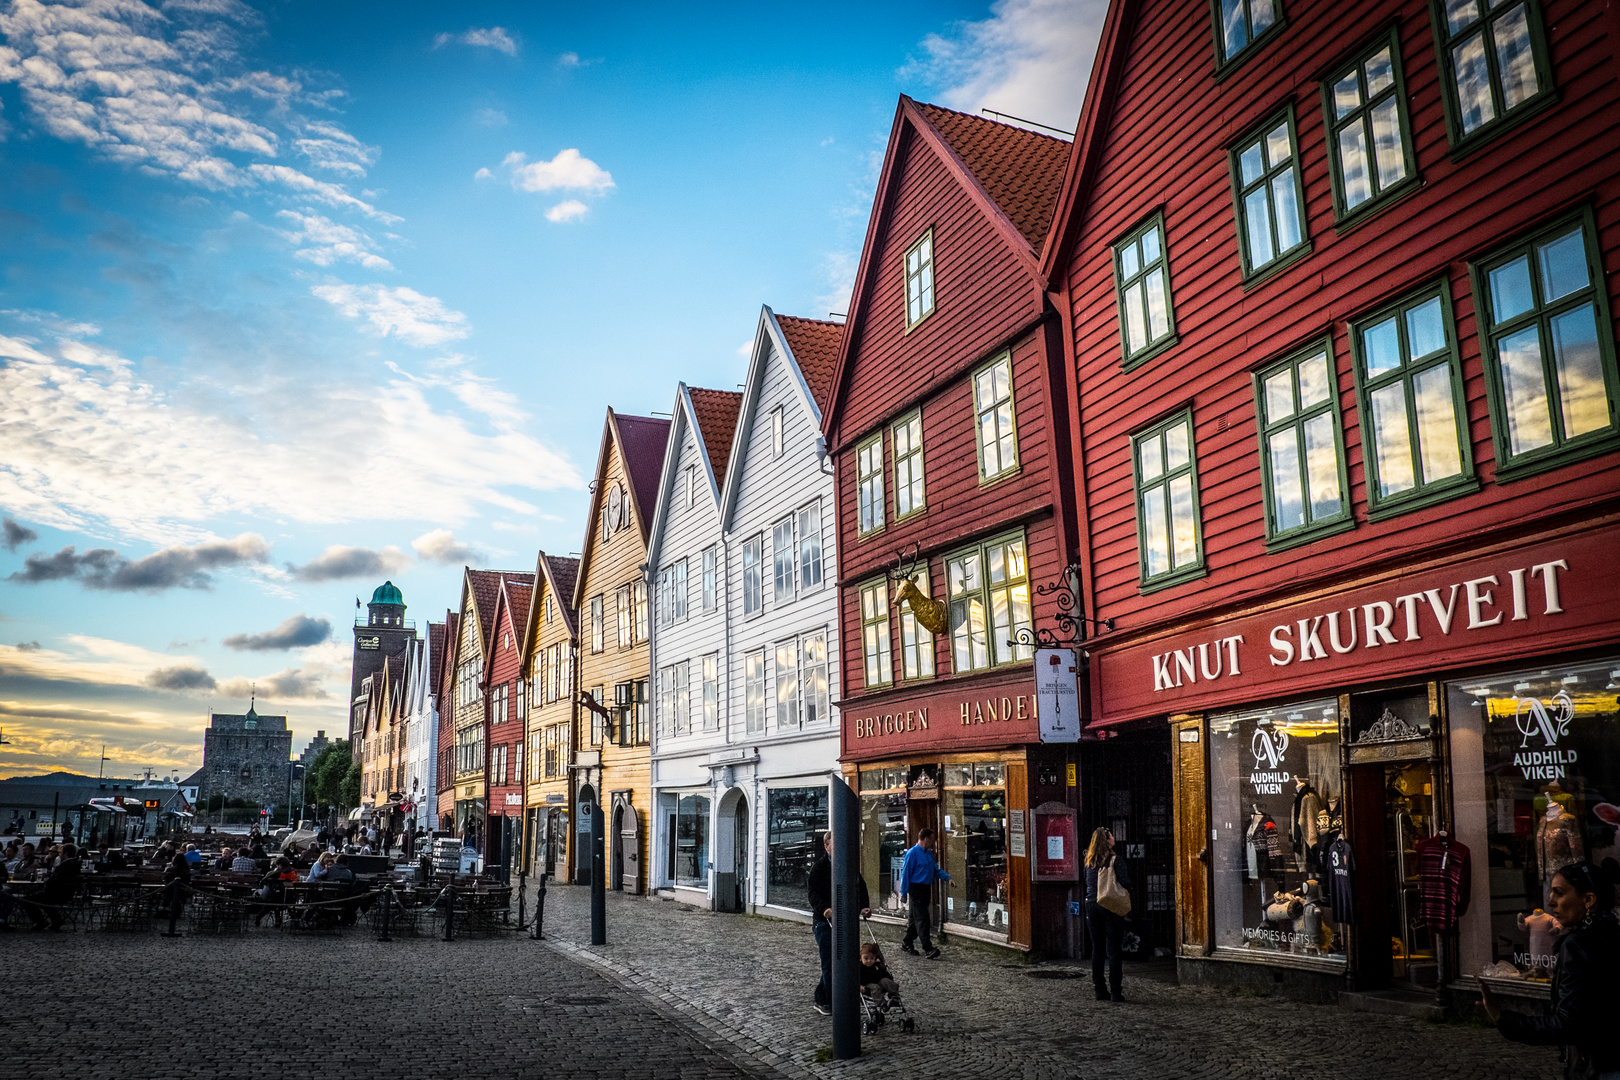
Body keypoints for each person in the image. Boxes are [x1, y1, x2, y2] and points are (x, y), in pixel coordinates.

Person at [1484, 862, 1620, 1079]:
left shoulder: (1577, 944)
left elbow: (1566, 1024)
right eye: (1551, 892)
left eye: (1559, 893)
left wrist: (1503, 1017)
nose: (1550, 902)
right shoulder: (1611, 932)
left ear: (1588, 900)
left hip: (1597, 1066)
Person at [806, 831, 870, 1014]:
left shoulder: (848, 865)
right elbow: (813, 894)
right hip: (823, 921)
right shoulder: (818, 868)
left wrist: (864, 906)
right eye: (835, 847)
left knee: (841, 959)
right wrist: (824, 908)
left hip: (844, 918)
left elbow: (860, 886)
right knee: (829, 959)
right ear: (827, 847)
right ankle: (832, 1000)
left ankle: (822, 995)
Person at [1084, 826, 1131, 1003]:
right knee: (1113, 950)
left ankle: (1099, 989)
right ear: (1107, 840)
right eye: (1111, 835)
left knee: (1097, 948)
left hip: (1091, 905)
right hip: (1109, 905)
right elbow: (1125, 882)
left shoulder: (1089, 862)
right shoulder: (1115, 860)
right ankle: (1116, 992)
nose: (1113, 837)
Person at [899, 828, 950, 959]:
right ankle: (928, 948)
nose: (933, 843)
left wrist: (947, 878)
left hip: (926, 888)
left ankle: (907, 942)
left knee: (915, 918)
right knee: (923, 918)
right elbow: (906, 874)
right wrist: (903, 893)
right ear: (926, 839)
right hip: (916, 888)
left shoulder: (928, 854)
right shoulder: (912, 853)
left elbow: (935, 870)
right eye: (932, 840)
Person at [24, 842, 81, 931]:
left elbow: (57, 880)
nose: (59, 855)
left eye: (61, 853)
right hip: (62, 892)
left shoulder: (66, 865)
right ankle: (56, 919)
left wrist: (47, 881)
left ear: (65, 853)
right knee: (41, 899)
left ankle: (40, 921)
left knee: (26, 899)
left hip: (57, 893)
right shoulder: (74, 863)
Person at [859, 941, 900, 1008]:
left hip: (879, 981)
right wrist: (859, 985)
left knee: (886, 981)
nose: (869, 961)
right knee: (875, 987)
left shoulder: (876, 965)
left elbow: (884, 973)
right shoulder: (860, 967)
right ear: (861, 958)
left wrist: (889, 979)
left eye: (872, 958)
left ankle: (894, 996)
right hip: (867, 984)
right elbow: (856, 978)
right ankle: (881, 1004)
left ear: (875, 958)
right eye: (866, 958)